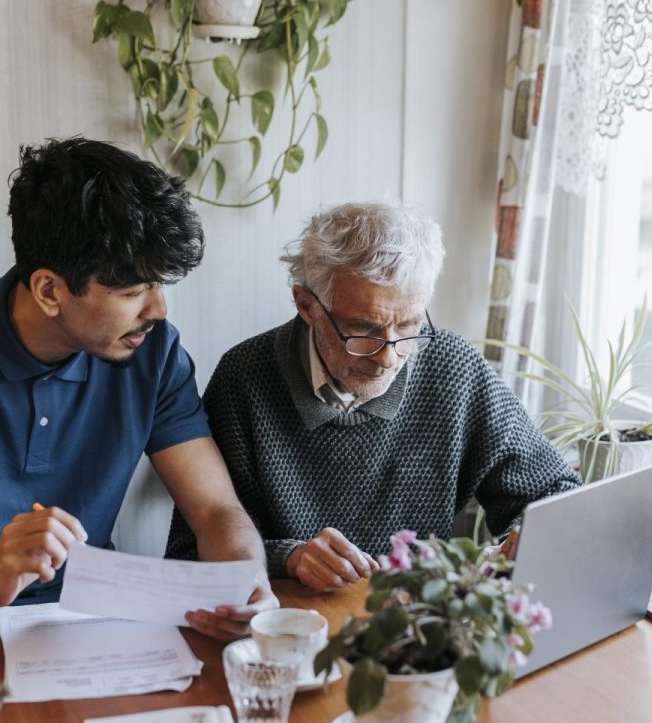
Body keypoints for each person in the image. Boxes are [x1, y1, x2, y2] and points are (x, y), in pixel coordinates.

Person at [0, 136, 273, 639]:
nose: (158, 311)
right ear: (49, 290)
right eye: (132, 292)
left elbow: (215, 508)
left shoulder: (153, 352)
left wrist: (246, 576)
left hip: (92, 628)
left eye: (159, 286)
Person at [166, 201, 579, 590]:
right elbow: (190, 555)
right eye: (363, 330)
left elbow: (555, 492)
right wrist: (287, 558)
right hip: (297, 625)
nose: (388, 356)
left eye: (409, 326)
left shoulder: (452, 366)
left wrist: (522, 539)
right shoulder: (245, 379)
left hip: (419, 626)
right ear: (306, 305)